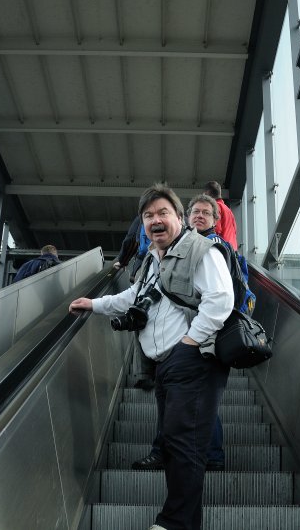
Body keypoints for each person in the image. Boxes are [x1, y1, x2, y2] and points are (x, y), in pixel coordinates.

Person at [69, 183, 233, 530]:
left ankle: (173, 521)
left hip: (194, 359)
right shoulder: (152, 261)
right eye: (148, 216)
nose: (155, 220)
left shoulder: (202, 251)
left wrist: (190, 342)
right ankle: (186, 523)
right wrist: (94, 304)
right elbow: (132, 296)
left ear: (179, 217)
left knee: (181, 442)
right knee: (178, 444)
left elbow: (220, 300)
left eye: (162, 213)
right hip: (165, 365)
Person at [131, 193, 231, 474]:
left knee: (196, 405)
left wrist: (189, 342)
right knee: (182, 405)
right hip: (177, 347)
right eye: (195, 212)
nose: (199, 216)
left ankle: (208, 457)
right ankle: (173, 454)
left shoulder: (210, 249)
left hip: (198, 344)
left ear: (215, 220)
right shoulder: (164, 252)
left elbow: (223, 298)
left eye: (206, 214)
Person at [203, 180, 237, 250]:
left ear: (207, 193)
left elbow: (216, 229)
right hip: (233, 249)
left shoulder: (216, 207)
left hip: (223, 248)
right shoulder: (228, 210)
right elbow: (235, 230)